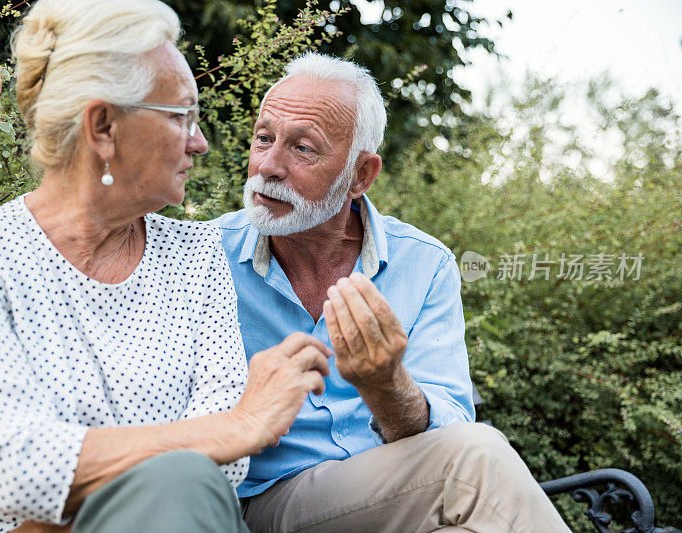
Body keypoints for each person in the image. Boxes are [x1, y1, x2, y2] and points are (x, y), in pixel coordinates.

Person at [0, 1, 331, 531]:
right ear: (103, 127)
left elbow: (223, 471)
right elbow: (14, 466)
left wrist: (113, 492)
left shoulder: (196, 255)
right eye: (181, 117)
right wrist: (237, 424)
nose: (200, 142)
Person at [216, 52, 571, 532]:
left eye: (303, 148)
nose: (269, 165)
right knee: (477, 458)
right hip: (264, 505)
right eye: (264, 138)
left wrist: (386, 385)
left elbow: (445, 426)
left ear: (361, 176)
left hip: (395, 501)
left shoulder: (424, 264)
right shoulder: (207, 257)